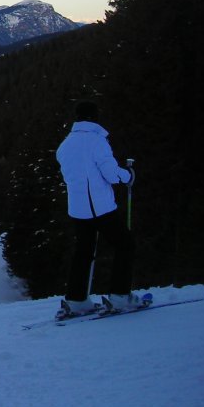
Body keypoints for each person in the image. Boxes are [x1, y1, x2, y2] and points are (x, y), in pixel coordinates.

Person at [56, 100, 137, 317]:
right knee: (124, 244)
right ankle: (120, 295)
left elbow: (69, 177)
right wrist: (127, 176)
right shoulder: (97, 141)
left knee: (83, 251)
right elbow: (110, 174)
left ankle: (76, 299)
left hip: (78, 210)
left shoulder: (65, 145)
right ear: (94, 117)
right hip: (101, 208)